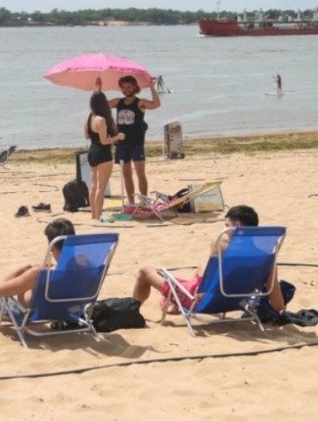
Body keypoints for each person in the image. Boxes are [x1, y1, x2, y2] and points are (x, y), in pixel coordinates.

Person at [132, 204, 285, 314]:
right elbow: (278, 305)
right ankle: (173, 301)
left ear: (236, 226)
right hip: (236, 302)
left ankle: (131, 311)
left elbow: (202, 293)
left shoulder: (221, 245)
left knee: (145, 271)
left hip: (201, 301)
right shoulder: (267, 259)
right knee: (203, 265)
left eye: (226, 226)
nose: (223, 230)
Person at [0, 218, 75, 325]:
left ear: (51, 247)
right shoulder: (86, 266)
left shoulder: (38, 274)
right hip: (57, 311)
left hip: (24, 312)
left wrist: (23, 270)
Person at [103, 75, 160, 205]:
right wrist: (98, 88)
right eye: (123, 87)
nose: (126, 90)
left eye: (129, 87)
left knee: (140, 173)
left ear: (134, 87)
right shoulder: (118, 102)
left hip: (136, 144)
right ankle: (132, 202)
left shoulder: (140, 103)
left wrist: (151, 86)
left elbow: (156, 104)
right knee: (126, 175)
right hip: (121, 144)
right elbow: (101, 105)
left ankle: (145, 202)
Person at [85, 91, 125, 220]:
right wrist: (116, 137)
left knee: (94, 185)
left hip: (91, 151)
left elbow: (86, 136)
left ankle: (93, 215)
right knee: (101, 187)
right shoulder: (101, 120)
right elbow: (104, 141)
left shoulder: (88, 117)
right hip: (102, 153)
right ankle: (98, 216)